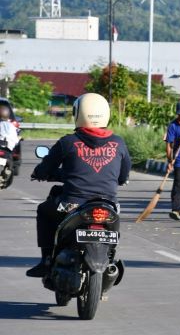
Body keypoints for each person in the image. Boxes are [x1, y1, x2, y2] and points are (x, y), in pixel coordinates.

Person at [26, 93, 131, 277]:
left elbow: (45, 169)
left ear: (78, 113)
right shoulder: (119, 143)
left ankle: (46, 260)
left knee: (44, 210)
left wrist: (40, 174)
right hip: (108, 205)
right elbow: (123, 177)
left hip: (73, 205)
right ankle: (110, 258)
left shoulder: (68, 142)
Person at [0, 105, 19, 177]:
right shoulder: (12, 126)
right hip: (8, 150)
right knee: (10, 162)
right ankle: (7, 172)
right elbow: (16, 139)